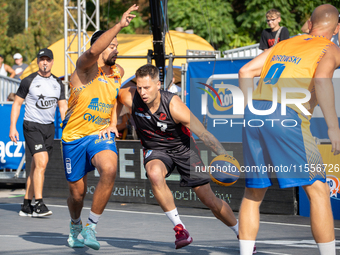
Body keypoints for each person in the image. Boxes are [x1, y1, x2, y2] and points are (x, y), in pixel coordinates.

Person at [102, 64, 246, 251]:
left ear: (158, 85)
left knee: (209, 200)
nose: (142, 92)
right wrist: (113, 123)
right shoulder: (131, 96)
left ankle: (241, 233)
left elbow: (204, 134)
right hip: (156, 150)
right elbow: (118, 98)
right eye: (139, 87)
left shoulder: (174, 106)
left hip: (183, 150)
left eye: (147, 88)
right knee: (154, 174)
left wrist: (224, 156)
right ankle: (180, 229)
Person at [238, 4, 340, 255]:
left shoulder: (285, 43)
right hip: (287, 114)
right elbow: (322, 79)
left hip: (255, 112)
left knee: (254, 189)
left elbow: (245, 71)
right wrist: (333, 127)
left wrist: (257, 108)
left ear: (309, 22)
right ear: (336, 28)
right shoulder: (329, 47)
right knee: (318, 189)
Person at [61, 5, 138, 250]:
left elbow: (113, 98)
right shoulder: (84, 69)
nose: (116, 50)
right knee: (77, 194)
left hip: (98, 134)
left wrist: (113, 122)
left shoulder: (118, 72)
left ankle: (91, 228)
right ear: (101, 48)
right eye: (112, 46)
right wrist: (118, 25)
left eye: (117, 46)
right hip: (73, 137)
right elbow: (93, 51)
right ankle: (75, 224)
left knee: (109, 167)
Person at [9, 48, 68, 217]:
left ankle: (26, 205)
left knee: (37, 166)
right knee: (41, 162)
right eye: (42, 59)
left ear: (52, 62)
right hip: (32, 125)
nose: (44, 62)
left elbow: (63, 107)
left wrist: (67, 126)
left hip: (48, 127)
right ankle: (39, 204)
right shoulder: (28, 80)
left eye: (47, 60)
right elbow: (17, 104)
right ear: (37, 62)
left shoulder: (58, 83)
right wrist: (12, 127)